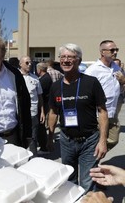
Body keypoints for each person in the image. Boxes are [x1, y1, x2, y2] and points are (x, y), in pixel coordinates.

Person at [47, 43, 108, 193]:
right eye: (63, 57)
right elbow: (53, 113)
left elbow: (102, 112)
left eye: (71, 57)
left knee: (88, 181)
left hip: (89, 141)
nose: (66, 60)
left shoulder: (91, 82)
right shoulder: (55, 86)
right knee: (69, 178)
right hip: (66, 140)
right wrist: (49, 137)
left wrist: (102, 140)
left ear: (79, 61)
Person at [85, 40, 124, 150]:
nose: (115, 52)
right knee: (96, 141)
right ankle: (91, 162)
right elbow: (86, 90)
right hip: (99, 114)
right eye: (112, 50)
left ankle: (95, 157)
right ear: (102, 52)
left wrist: (123, 80)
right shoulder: (92, 70)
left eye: (116, 49)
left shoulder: (116, 67)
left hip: (113, 112)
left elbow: (121, 86)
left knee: (113, 139)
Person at [19, 56, 45, 156]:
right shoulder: (16, 77)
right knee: (22, 137)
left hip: (33, 112)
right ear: (20, 64)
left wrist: (42, 111)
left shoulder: (35, 78)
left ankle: (33, 157)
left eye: (30, 63)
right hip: (21, 114)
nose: (29, 65)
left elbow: (40, 96)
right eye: (27, 63)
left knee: (33, 137)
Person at [36, 62, 53, 152]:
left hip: (44, 104)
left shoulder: (44, 79)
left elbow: (40, 93)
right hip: (45, 104)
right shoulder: (45, 77)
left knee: (41, 126)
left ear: (39, 69)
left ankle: (44, 147)